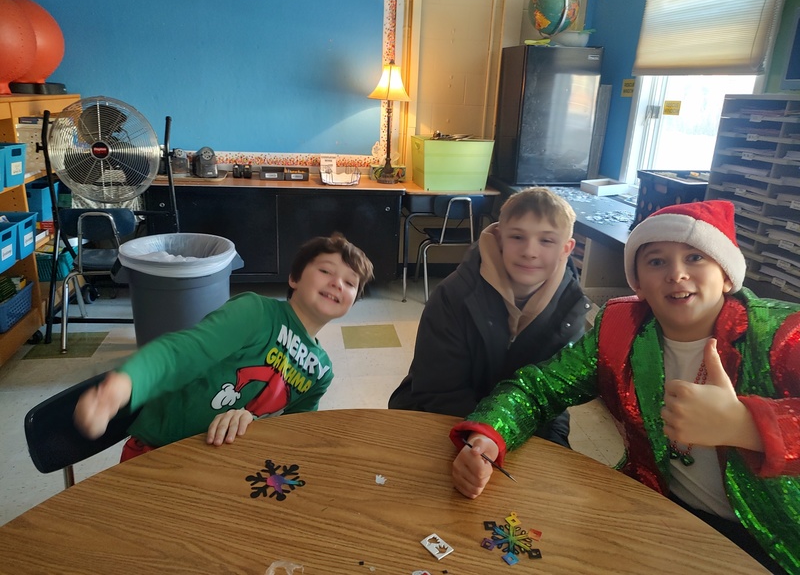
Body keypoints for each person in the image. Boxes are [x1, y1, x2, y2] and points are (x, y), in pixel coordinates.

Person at [449, 200, 799, 573]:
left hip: (772, 541)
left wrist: (749, 426)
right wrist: (490, 434)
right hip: (654, 513)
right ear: (639, 284)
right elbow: (538, 388)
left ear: (727, 275)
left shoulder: (780, 334)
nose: (676, 274)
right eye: (657, 261)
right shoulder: (620, 327)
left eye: (695, 258)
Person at [74, 233, 374, 461]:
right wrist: (122, 386)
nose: (337, 283)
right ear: (294, 278)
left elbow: (294, 433)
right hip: (158, 452)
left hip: (226, 463)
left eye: (350, 283)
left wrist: (252, 422)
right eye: (326, 271)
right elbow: (182, 352)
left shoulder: (321, 372)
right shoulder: (254, 312)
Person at [389, 187, 590, 447]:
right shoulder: (454, 295)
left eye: (546, 241)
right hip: (440, 420)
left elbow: (553, 401)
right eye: (518, 237)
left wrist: (553, 445)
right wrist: (484, 438)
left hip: (516, 433)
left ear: (567, 248)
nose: (530, 251)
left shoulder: (571, 310)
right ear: (499, 238)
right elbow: (438, 391)